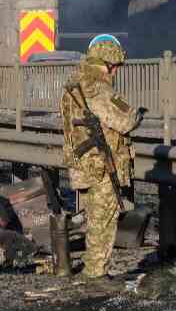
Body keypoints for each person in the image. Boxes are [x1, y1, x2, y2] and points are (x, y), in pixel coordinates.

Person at [59, 34, 144, 282]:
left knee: (95, 217)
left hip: (85, 161)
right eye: (114, 66)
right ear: (105, 62)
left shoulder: (74, 82)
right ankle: (96, 273)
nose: (116, 72)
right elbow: (124, 120)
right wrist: (137, 114)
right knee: (103, 219)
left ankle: (91, 268)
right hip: (100, 164)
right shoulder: (96, 86)